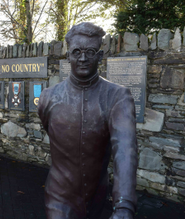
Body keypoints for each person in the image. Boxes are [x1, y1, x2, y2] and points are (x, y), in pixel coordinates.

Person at [38, 22, 138, 219]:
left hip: (97, 197)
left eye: (90, 52)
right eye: (76, 51)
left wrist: (124, 206)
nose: (83, 58)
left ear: (100, 56)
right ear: (68, 56)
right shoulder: (48, 97)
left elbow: (125, 150)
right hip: (59, 196)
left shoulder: (118, 96)